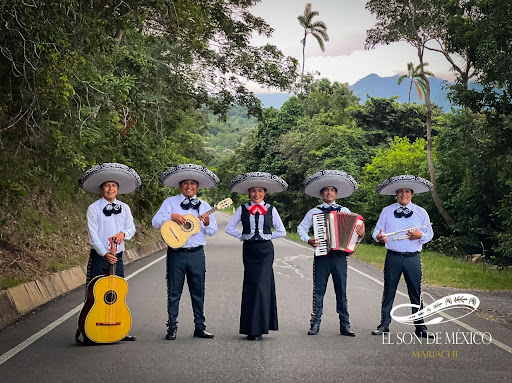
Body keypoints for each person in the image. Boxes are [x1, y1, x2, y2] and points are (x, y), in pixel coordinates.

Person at [152, 164, 219, 341]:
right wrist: (171, 216)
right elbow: (155, 221)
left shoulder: (204, 206)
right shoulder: (170, 203)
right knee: (174, 291)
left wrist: (205, 223)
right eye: (185, 183)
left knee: (198, 291)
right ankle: (172, 327)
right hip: (177, 253)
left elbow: (212, 231)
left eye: (193, 184)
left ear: (197, 186)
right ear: (180, 185)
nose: (189, 187)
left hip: (197, 254)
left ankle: (200, 327)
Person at [78, 162, 141, 342]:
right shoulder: (94, 208)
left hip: (118, 257)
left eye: (113, 186)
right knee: (94, 294)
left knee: (117, 293)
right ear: (101, 189)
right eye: (107, 185)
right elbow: (93, 235)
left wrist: (123, 234)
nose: (110, 188)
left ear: (118, 189)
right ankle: (89, 330)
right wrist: (104, 252)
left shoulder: (125, 208)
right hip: (100, 257)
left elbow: (131, 228)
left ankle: (119, 328)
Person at [297, 170, 365, 337]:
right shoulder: (314, 212)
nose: (329, 192)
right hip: (321, 255)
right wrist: (308, 240)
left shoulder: (345, 210)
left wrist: (360, 235)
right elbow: (301, 228)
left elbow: (353, 234)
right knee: (319, 290)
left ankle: (345, 325)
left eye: (332, 190)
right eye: (326, 190)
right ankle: (315, 324)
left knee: (341, 290)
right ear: (321, 194)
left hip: (340, 257)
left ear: (336, 193)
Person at [225, 172, 288, 341]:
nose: (256, 194)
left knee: (262, 286)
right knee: (251, 286)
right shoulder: (242, 209)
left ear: (264, 193)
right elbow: (229, 228)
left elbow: (282, 231)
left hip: (266, 251)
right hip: (249, 251)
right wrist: (243, 236)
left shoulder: (271, 210)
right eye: (253, 191)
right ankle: (251, 327)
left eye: (260, 191)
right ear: (249, 193)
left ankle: (259, 327)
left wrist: (266, 237)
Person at [371, 175, 434, 339]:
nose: (404, 194)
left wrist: (420, 235)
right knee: (389, 291)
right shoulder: (387, 211)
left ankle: (420, 327)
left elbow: (430, 233)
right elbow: (376, 232)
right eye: (400, 192)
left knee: (415, 292)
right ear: (396, 194)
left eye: (407, 192)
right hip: (393, 257)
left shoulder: (421, 212)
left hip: (413, 258)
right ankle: (384, 324)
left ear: (411, 194)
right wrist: (379, 237)